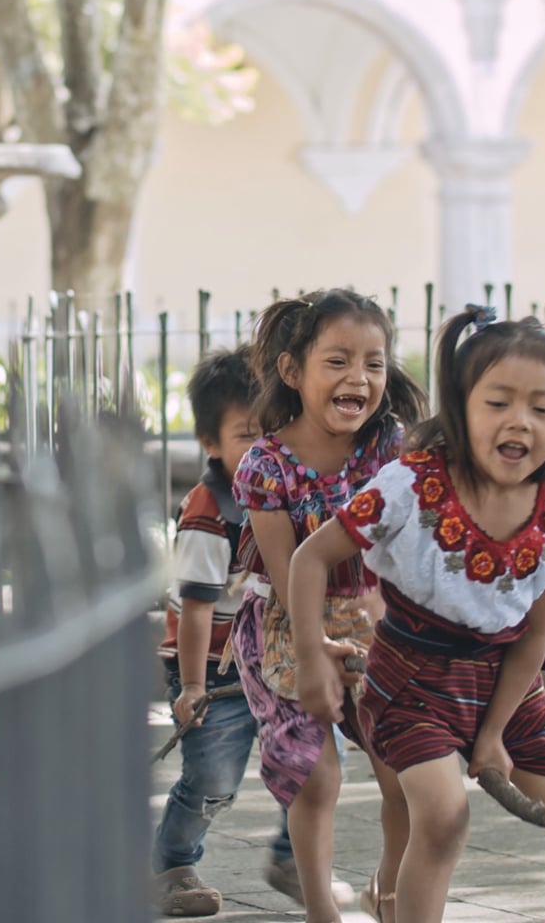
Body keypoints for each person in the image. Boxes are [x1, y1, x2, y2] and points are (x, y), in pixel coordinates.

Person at [288, 307, 545, 923]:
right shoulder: (409, 486)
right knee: (442, 816)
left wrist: (492, 735)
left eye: (542, 409)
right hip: (410, 679)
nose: (520, 421)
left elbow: (532, 641)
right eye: (498, 402)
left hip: (509, 688)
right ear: (462, 406)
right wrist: (310, 659)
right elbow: (310, 559)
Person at [229, 289, 427, 923]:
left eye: (374, 362)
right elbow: (291, 574)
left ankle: (389, 892)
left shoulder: (388, 446)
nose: (359, 378)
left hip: (375, 621)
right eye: (337, 361)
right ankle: (321, 909)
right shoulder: (267, 465)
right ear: (293, 372)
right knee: (318, 778)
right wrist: (317, 649)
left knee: (403, 770)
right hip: (289, 625)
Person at [153, 345, 293, 917]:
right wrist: (190, 687)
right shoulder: (212, 511)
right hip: (209, 663)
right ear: (211, 444)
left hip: (278, 655)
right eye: (244, 436)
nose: (261, 449)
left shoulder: (293, 489)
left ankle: (293, 856)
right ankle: (174, 863)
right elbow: (194, 608)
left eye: (271, 433)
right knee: (214, 777)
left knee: (310, 757)